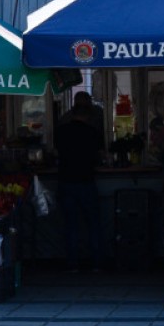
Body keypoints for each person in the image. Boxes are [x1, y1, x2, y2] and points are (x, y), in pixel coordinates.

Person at [54, 92, 106, 271]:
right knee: (93, 224)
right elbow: (99, 156)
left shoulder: (61, 131)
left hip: (66, 181)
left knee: (71, 225)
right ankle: (97, 262)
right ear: (88, 114)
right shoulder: (93, 132)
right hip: (86, 181)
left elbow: (56, 154)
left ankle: (72, 264)